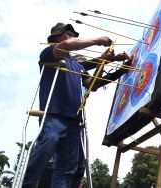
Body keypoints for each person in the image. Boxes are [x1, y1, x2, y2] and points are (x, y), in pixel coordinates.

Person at [22, 22, 131, 188]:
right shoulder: (50, 53)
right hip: (53, 115)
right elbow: (66, 45)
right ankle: (27, 184)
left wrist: (118, 69)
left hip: (73, 120)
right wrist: (98, 40)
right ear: (57, 37)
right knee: (45, 149)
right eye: (70, 34)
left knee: (68, 168)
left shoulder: (76, 64)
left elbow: (92, 84)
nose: (73, 37)